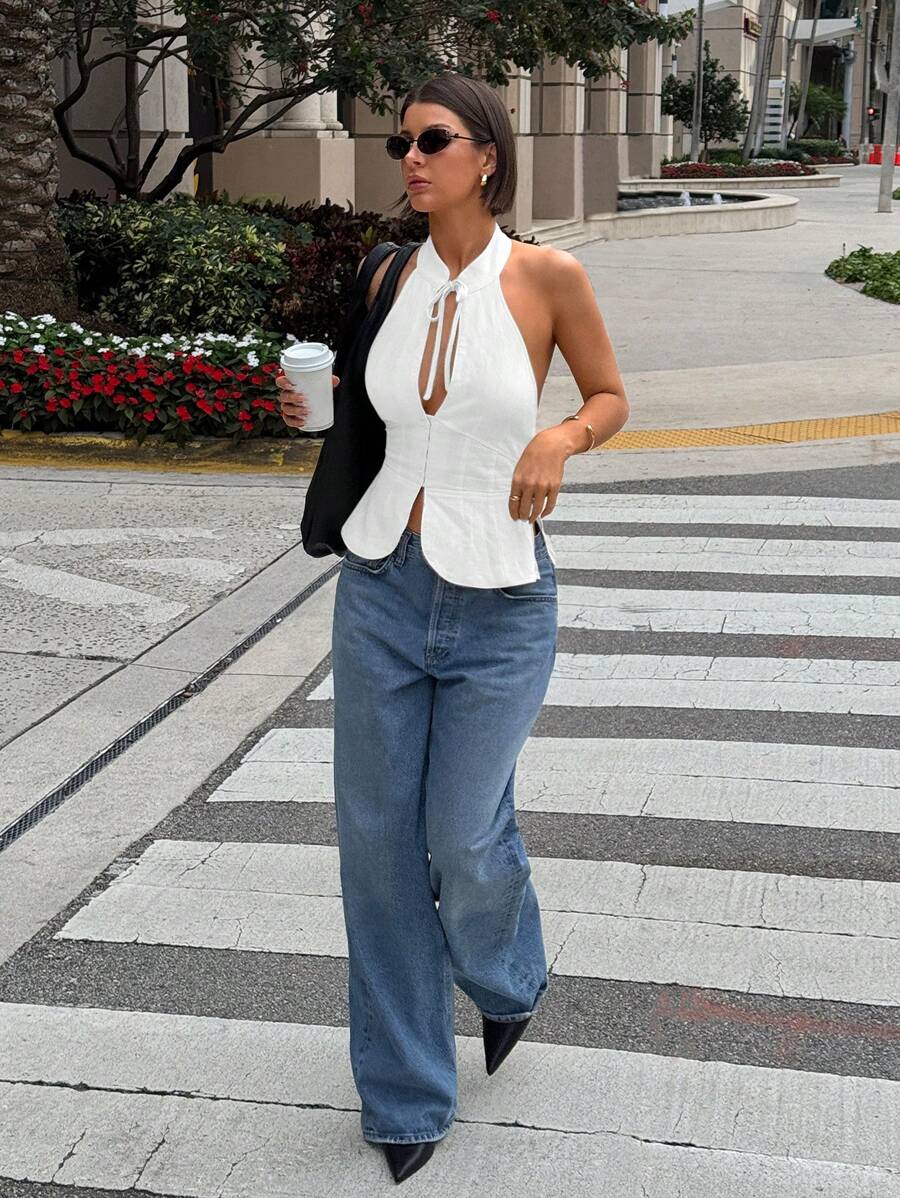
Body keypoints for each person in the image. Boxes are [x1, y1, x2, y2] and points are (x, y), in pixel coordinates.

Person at [277, 71, 629, 1185]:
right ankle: (405, 1093)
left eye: (431, 140)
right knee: (379, 849)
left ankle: (509, 974)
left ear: (487, 154)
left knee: (462, 835)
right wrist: (315, 408)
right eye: (400, 144)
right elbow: (371, 409)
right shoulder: (385, 274)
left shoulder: (547, 277)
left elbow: (610, 396)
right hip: (382, 585)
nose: (411, 160)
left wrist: (559, 438)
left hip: (502, 598)